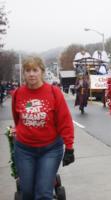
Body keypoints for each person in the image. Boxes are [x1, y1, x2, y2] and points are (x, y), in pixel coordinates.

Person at [11, 56, 75, 200]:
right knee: (27, 192)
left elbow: (65, 121)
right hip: (24, 150)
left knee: (43, 194)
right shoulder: (18, 94)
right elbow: (18, 120)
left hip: (50, 149)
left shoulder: (54, 92)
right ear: (24, 73)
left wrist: (69, 147)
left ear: (42, 72)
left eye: (35, 70)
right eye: (28, 70)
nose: (31, 74)